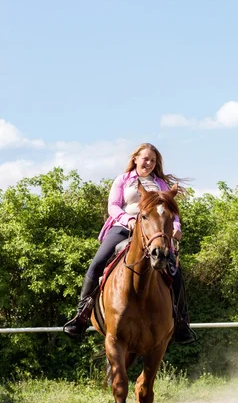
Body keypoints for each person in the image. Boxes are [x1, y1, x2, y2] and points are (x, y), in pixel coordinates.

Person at [63, 143, 195, 344]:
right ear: (135, 159)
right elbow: (113, 207)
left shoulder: (160, 184)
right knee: (97, 263)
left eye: (153, 160)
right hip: (124, 227)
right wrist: (128, 220)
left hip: (154, 231)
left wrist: (176, 227)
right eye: (146, 159)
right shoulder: (123, 180)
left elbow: (171, 213)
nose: (149, 163)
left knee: (175, 270)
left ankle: (181, 321)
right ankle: (81, 315)